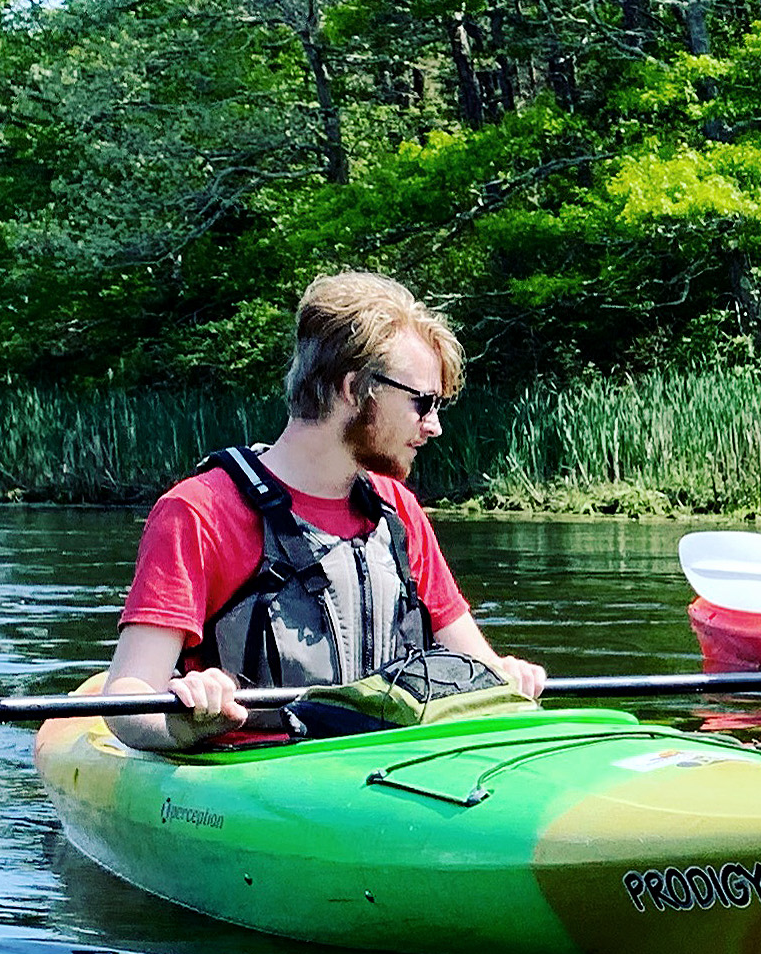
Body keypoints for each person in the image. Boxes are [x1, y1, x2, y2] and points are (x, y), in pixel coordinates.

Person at [105, 272, 547, 748]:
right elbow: (127, 701)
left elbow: (478, 666)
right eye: (422, 403)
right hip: (258, 780)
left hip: (394, 770)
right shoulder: (198, 512)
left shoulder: (398, 511)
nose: (434, 426)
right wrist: (182, 721)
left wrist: (507, 679)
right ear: (353, 389)